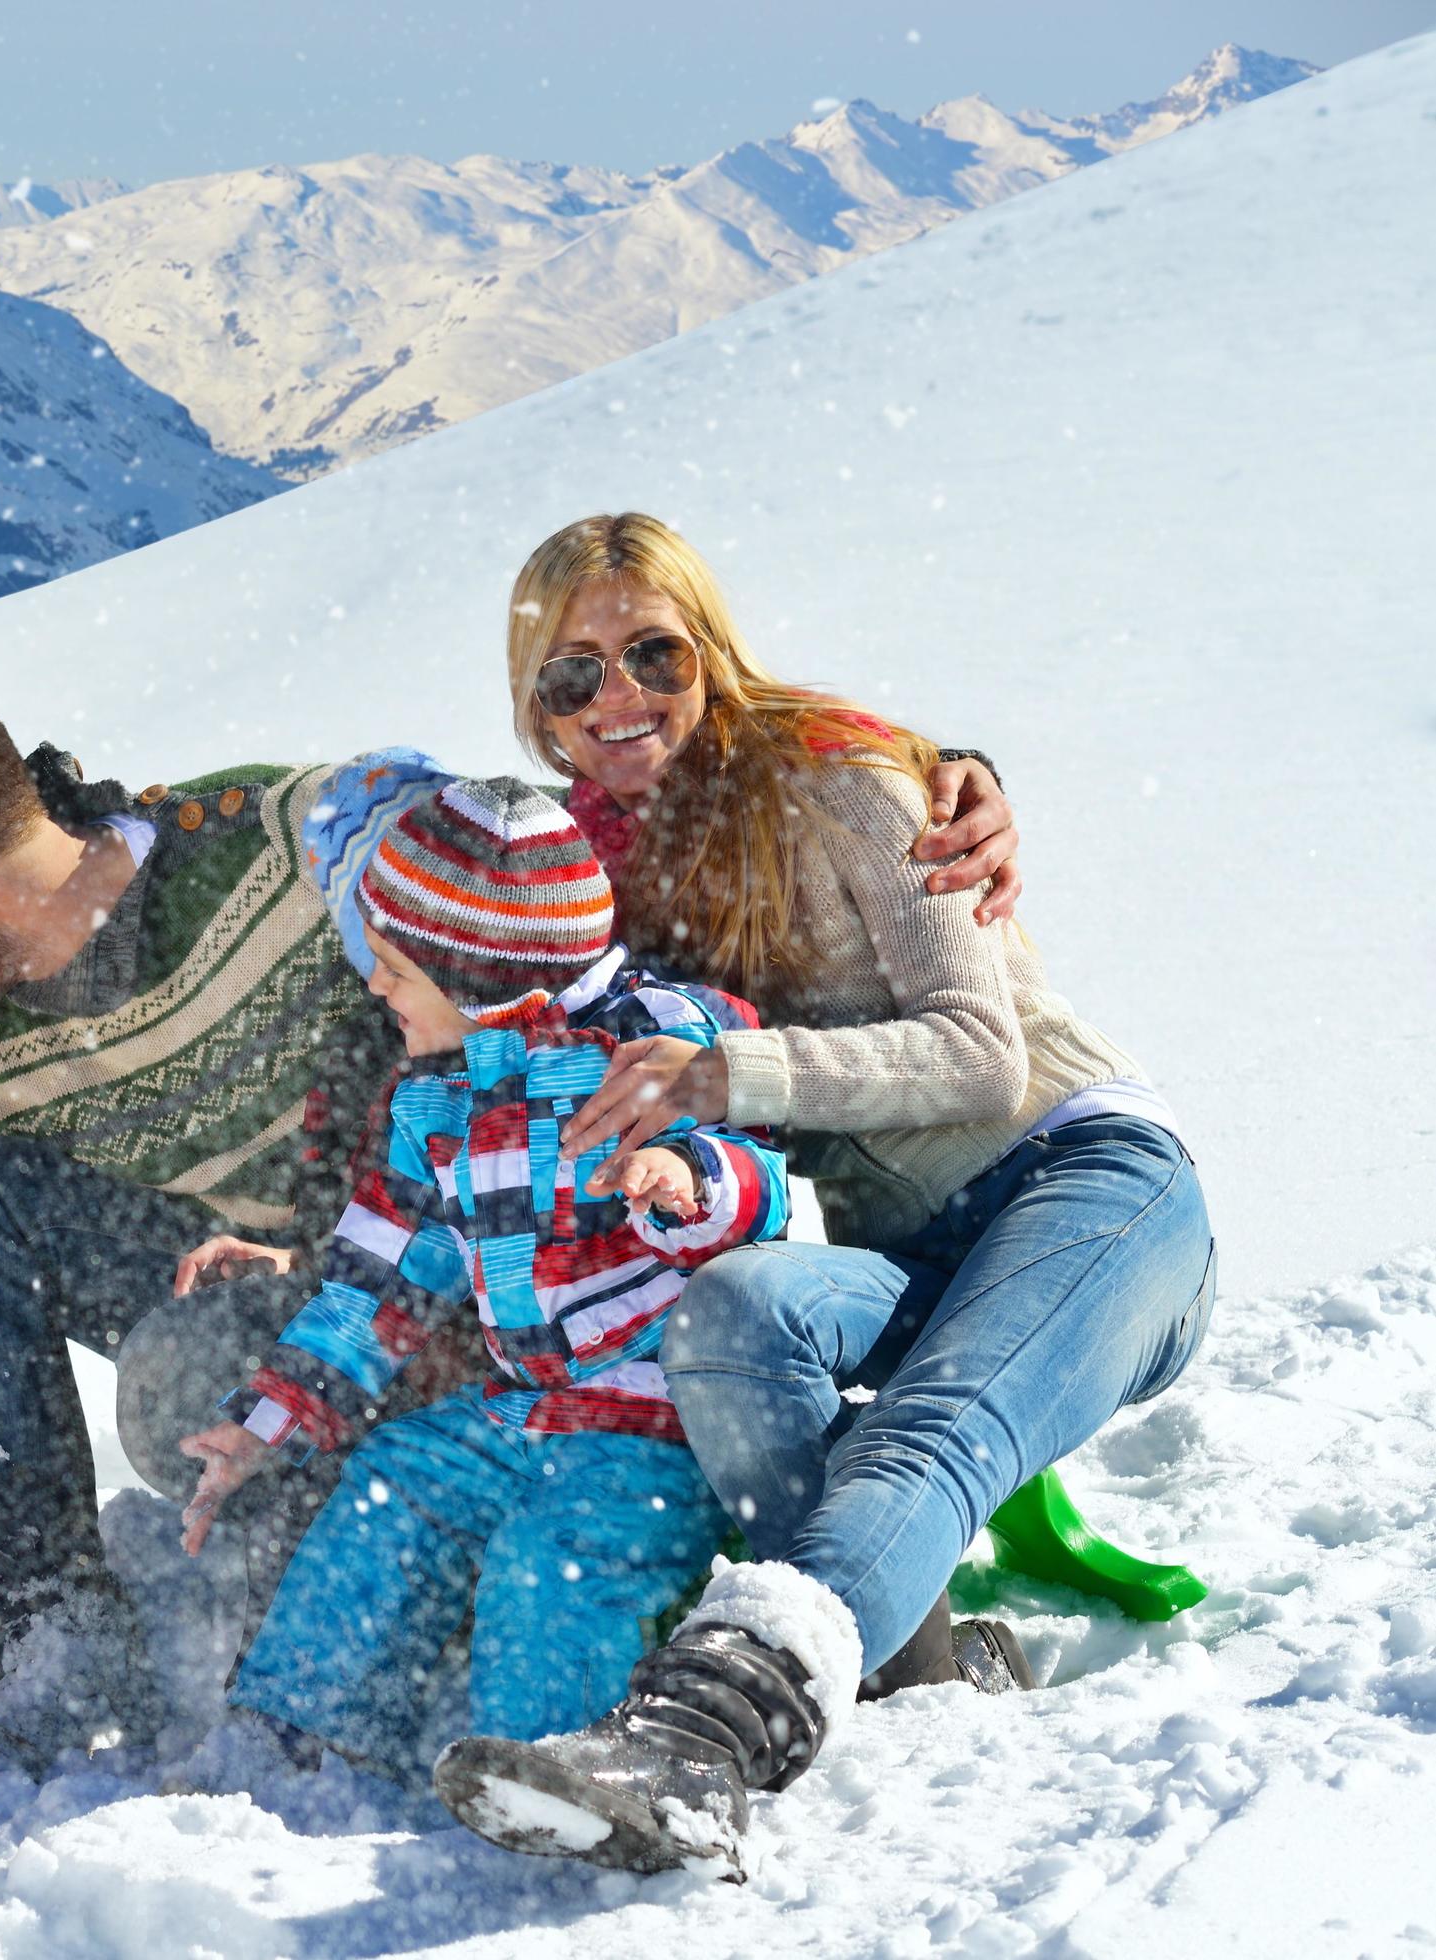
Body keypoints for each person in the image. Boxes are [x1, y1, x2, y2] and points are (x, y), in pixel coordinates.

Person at [0, 682, 1022, 1764]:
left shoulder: (285, 837)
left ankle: (445, 1650)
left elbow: (563, 823)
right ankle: (69, 1667)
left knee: (220, 1377)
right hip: (349, 1293)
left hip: (543, 1265)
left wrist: (920, 779)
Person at [434, 513, 1214, 1873]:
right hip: (905, 1248)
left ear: (711, 653)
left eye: (653, 655)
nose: (618, 698)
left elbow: (981, 1061)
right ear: (534, 709)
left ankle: (697, 1740)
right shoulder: (585, 874)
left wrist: (723, 1075)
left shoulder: (838, 780)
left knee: (934, 1426)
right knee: (736, 1316)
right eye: (573, 674)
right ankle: (922, 1686)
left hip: (1085, 1180)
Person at [170, 758, 787, 1782]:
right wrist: (266, 1423)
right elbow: (373, 1289)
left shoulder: (651, 1045)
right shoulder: (441, 1107)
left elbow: (763, 1177)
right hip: (526, 1411)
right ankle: (295, 1731)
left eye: (396, 966)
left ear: (475, 974)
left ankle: (556, 1770)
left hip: (663, 1427)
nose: (375, 984)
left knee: (549, 1565)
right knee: (390, 1484)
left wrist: (686, 1172)